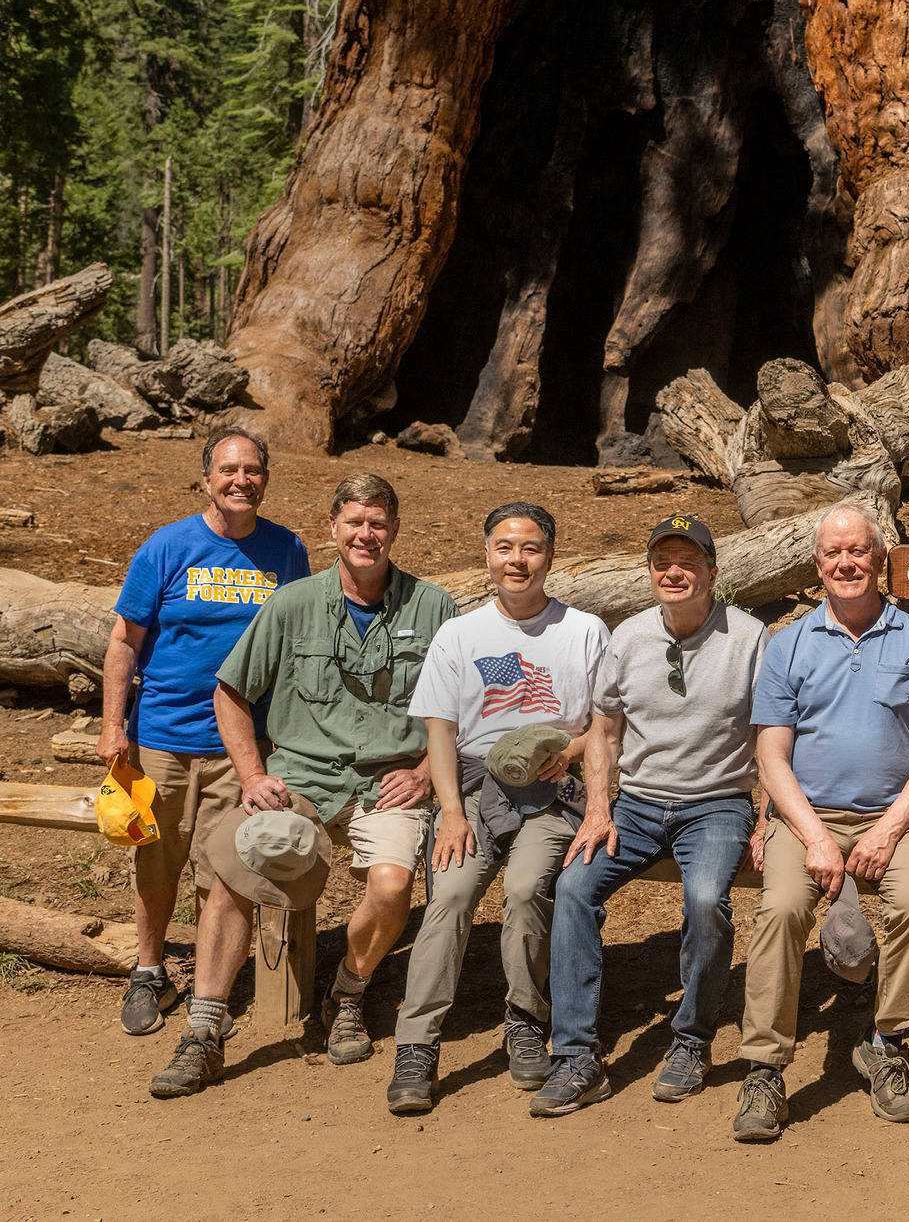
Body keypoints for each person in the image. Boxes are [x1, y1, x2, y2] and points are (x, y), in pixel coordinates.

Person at [148, 474, 457, 1097]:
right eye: (353, 523)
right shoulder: (291, 605)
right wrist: (253, 775)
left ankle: (346, 990)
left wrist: (426, 772)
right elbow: (230, 694)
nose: (365, 535)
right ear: (333, 529)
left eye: (377, 523)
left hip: (388, 781)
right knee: (237, 860)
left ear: (394, 530)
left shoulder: (434, 607)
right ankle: (204, 1031)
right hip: (301, 776)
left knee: (393, 883)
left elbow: (462, 706)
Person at [732, 502, 909, 1142]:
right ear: (816, 564)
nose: (846, 563)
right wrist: (814, 836)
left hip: (899, 814)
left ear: (880, 559)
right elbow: (771, 757)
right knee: (779, 908)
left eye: (858, 550)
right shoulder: (789, 644)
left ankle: (887, 1042)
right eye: (833, 553)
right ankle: (765, 1066)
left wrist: (888, 830)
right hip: (808, 814)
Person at [528, 515, 767, 1117]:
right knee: (575, 886)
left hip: (717, 802)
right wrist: (599, 807)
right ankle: (577, 1054)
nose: (675, 572)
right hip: (636, 803)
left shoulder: (750, 637)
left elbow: (773, 733)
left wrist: (766, 817)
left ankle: (692, 1039)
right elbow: (603, 730)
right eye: (664, 562)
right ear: (650, 571)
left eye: (689, 561)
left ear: (713, 571)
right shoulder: (627, 636)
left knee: (708, 898)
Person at [385, 503, 609, 1113]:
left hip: (554, 794)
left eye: (531, 548)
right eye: (505, 548)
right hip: (477, 792)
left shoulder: (584, 630)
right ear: (487, 556)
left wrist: (572, 751)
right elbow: (440, 730)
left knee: (525, 888)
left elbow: (605, 726)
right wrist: (450, 811)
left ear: (550, 556)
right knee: (451, 895)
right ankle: (417, 1045)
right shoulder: (459, 633)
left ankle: (524, 1018)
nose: (518, 560)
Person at [97, 427, 310, 1035]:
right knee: (157, 860)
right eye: (229, 469)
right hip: (162, 736)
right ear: (207, 478)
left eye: (253, 470)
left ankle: (210, 987)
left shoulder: (286, 550)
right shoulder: (167, 547)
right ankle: (150, 969)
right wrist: (114, 727)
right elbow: (124, 642)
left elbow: (297, 643)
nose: (241, 480)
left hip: (243, 744)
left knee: (223, 865)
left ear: (265, 478)